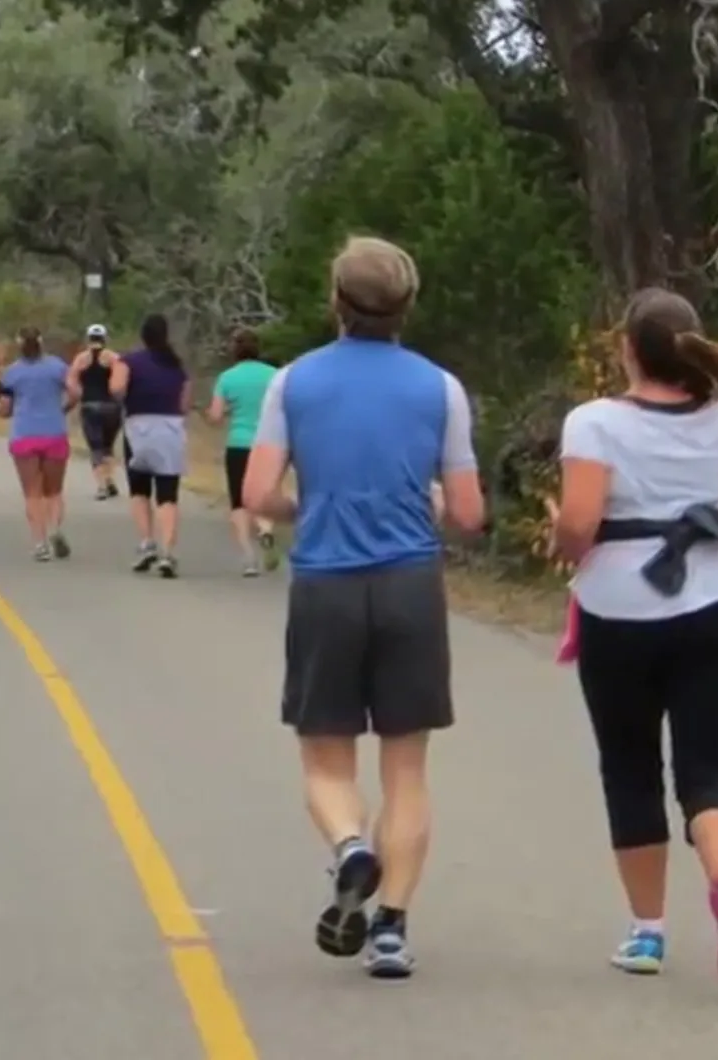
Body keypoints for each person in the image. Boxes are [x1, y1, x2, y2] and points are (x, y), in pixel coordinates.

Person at [242, 235, 485, 982]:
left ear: (336, 301)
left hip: (327, 581)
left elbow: (257, 496)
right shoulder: (440, 388)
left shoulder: (294, 383)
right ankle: (392, 931)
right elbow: (470, 513)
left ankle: (351, 848)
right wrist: (433, 503)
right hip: (410, 583)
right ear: (407, 306)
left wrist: (306, 506)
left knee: (325, 755)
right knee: (406, 766)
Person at [546, 288, 718, 992]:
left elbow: (581, 527)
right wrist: (714, 525)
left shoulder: (593, 423)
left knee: (629, 766)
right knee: (708, 767)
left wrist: (562, 529)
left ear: (626, 348)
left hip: (619, 609)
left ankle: (647, 931)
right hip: (716, 602)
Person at [111, 314, 190, 576]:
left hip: (139, 427)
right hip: (171, 428)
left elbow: (117, 388)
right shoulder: (177, 366)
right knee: (168, 494)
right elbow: (185, 405)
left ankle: (147, 543)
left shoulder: (129, 361)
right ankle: (168, 551)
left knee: (140, 489)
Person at [0, 327, 75, 559]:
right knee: (54, 491)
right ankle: (56, 530)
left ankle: (40, 544)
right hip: (54, 432)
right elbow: (75, 391)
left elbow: (5, 408)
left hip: (24, 434)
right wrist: (64, 408)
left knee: (32, 493)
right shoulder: (58, 367)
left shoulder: (11, 373)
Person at [209, 328, 281, 576]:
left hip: (238, 443)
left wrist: (229, 411)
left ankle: (248, 557)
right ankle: (266, 530)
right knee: (265, 494)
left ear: (235, 349)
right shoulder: (273, 375)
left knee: (239, 501)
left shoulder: (227, 378)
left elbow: (216, 416)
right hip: (268, 445)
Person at [69, 324, 123, 500]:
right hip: (111, 407)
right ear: (105, 339)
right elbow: (120, 383)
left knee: (96, 448)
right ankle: (109, 480)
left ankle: (101, 486)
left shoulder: (80, 359)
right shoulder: (114, 358)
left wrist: (74, 400)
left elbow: (72, 383)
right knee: (108, 446)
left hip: (90, 406)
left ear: (88, 338)